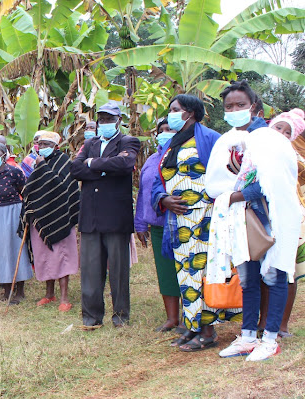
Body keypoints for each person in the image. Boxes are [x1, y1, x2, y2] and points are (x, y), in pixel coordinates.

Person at [151, 94, 239, 351]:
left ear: (190, 112)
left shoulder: (210, 138)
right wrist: (164, 198)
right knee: (186, 274)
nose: (171, 114)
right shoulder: (172, 144)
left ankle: (209, 331)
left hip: (205, 217)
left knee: (204, 272)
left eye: (176, 109)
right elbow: (160, 179)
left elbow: (228, 173)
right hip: (179, 221)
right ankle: (193, 326)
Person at [215, 112, 303, 361]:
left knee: (276, 276)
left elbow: (261, 186)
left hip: (278, 222)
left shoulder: (286, 159)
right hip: (249, 221)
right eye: (279, 128)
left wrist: (230, 196)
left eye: (288, 133)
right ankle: (248, 337)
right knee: (249, 278)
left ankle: (270, 339)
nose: (282, 135)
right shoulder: (250, 154)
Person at [71, 102, 140, 328]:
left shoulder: (128, 141)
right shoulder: (90, 143)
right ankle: (91, 317)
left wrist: (93, 165)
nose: (105, 123)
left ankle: (121, 317)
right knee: (90, 272)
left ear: (119, 120)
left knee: (119, 272)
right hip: (90, 217)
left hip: (115, 217)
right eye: (102, 119)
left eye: (110, 119)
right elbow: (75, 169)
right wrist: (105, 169)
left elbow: (125, 163)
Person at [134, 119, 184, 332]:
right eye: (161, 131)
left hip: (183, 223)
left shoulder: (186, 154)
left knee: (187, 270)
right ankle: (172, 318)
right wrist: (140, 224)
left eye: (170, 130)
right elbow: (144, 194)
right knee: (165, 273)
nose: (165, 133)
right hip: (157, 226)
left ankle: (194, 318)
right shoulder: (152, 160)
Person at [21, 131, 80, 310]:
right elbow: (30, 188)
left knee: (61, 258)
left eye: (47, 144)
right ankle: (49, 294)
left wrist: (42, 167)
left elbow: (61, 188)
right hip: (40, 218)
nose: (43, 148)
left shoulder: (63, 162)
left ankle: (64, 298)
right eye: (41, 144)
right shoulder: (35, 162)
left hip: (60, 218)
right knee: (44, 257)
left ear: (56, 146)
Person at [0, 141, 33, 303]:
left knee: (16, 248)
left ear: (4, 155)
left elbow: (24, 192)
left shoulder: (14, 172)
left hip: (13, 211)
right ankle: (6, 291)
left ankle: (20, 291)